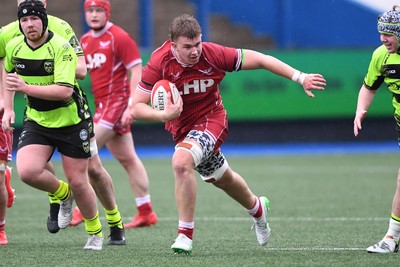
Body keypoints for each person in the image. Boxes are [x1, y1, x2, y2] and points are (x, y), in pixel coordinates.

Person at [130, 14, 326, 254]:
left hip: (212, 119)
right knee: (223, 179)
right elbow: (136, 106)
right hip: (182, 129)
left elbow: (262, 59)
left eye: (198, 44)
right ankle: (257, 209)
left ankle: (184, 235)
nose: (194, 51)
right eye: (187, 47)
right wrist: (163, 115)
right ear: (173, 46)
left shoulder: (213, 54)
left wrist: (300, 77)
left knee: (181, 163)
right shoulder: (160, 61)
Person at [0, 0, 126, 246]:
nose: (29, 23)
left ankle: (112, 223)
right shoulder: (9, 36)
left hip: (73, 119)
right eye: (24, 19)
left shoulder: (61, 32)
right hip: (38, 118)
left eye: (33, 18)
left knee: (91, 174)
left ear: (44, 7)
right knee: (28, 170)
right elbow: (7, 72)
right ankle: (62, 194)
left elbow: (78, 74)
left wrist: (48, 74)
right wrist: (6, 106)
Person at [71, 0, 158, 229]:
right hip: (101, 106)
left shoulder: (119, 37)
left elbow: (136, 71)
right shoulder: (85, 40)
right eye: (90, 10)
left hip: (117, 104)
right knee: (129, 159)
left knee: (83, 152)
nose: (94, 15)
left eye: (99, 10)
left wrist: (132, 105)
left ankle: (80, 209)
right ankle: (146, 211)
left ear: (107, 13)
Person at [354, 5, 400, 254]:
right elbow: (369, 87)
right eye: (381, 33)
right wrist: (361, 109)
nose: (383, 39)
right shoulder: (381, 55)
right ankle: (391, 239)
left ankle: (391, 238)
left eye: (389, 34)